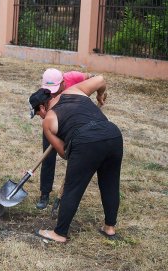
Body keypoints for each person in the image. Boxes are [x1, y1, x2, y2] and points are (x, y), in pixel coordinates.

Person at [29, 75, 123, 243]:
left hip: (86, 142)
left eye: (37, 113)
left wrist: (70, 137)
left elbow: (65, 153)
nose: (40, 117)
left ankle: (60, 233)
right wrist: (100, 95)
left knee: (73, 187)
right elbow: (101, 79)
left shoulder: (48, 120)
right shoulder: (74, 90)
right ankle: (109, 227)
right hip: (113, 134)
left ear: (42, 107)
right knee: (110, 183)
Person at [32, 68, 96, 209]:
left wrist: (97, 93)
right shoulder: (46, 88)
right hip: (53, 122)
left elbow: (93, 78)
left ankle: (64, 196)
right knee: (47, 157)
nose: (52, 93)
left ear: (62, 82)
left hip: (72, 122)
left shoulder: (73, 77)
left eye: (55, 89)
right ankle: (45, 193)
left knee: (74, 157)